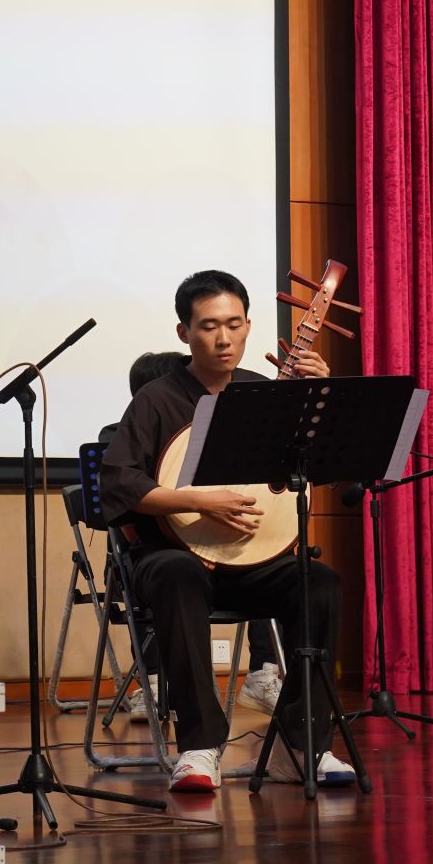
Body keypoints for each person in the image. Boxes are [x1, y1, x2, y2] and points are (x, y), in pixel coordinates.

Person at [99, 270, 351, 793]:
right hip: (170, 556)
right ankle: (199, 747)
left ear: (249, 326)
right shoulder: (157, 399)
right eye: (209, 326)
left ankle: (299, 745)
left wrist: (317, 396)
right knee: (177, 573)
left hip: (251, 561)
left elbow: (315, 465)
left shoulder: (262, 393)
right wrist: (196, 499)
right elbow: (120, 484)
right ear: (184, 332)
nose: (224, 338)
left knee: (319, 584)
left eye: (235, 325)